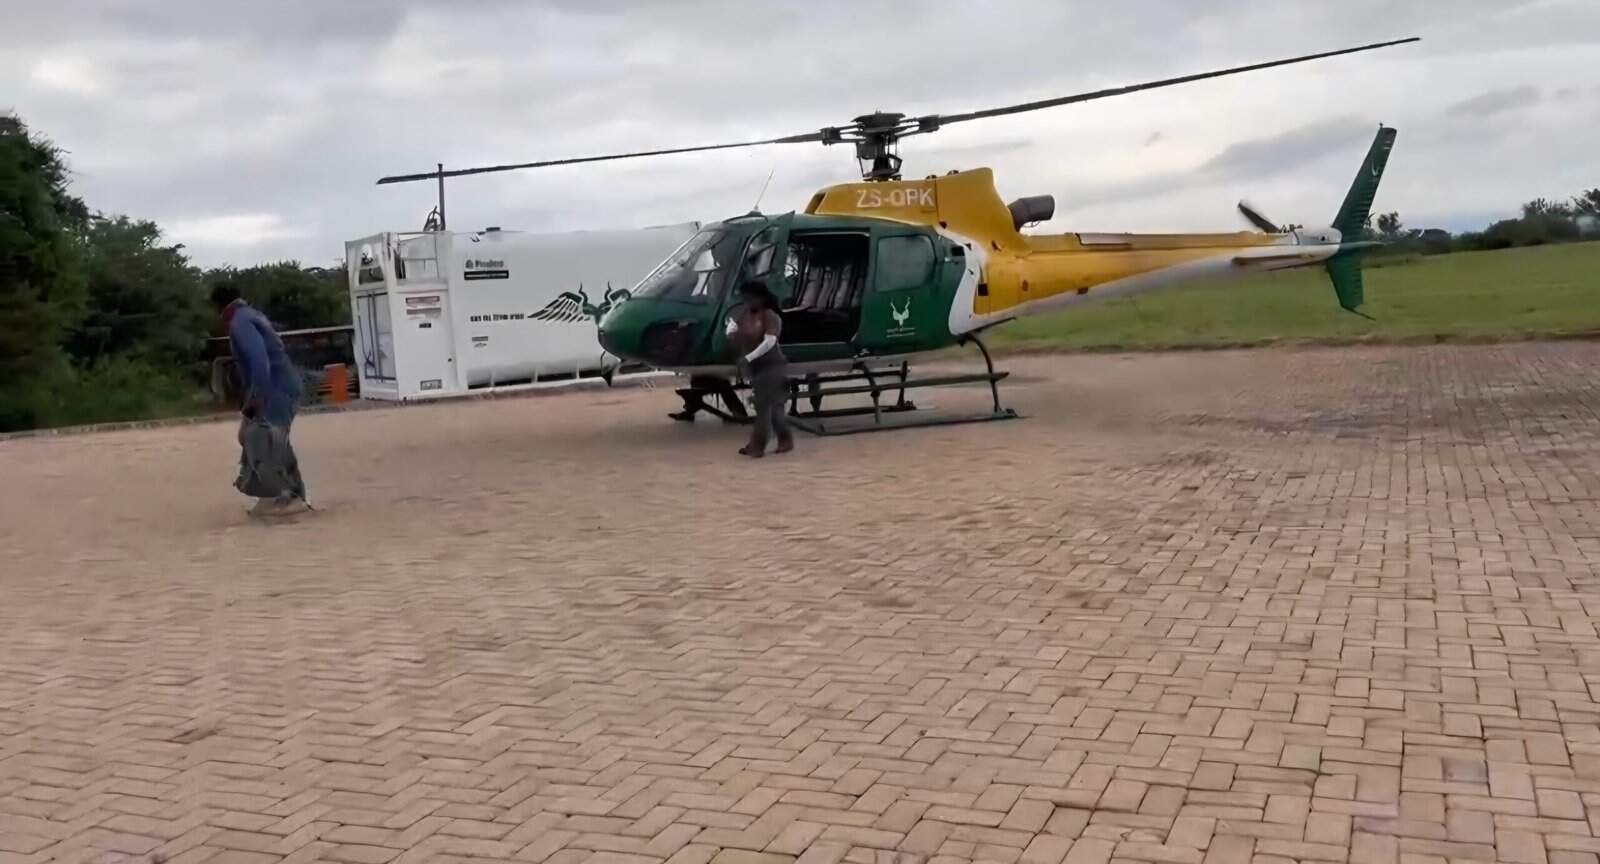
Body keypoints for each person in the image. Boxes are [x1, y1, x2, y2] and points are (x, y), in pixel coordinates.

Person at [213, 287, 309, 515]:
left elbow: (259, 361)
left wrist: (257, 397)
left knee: (266, 439)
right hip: (277, 387)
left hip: (274, 389)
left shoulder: (240, 323)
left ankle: (288, 495)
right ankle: (275, 493)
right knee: (253, 436)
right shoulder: (251, 315)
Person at [728, 281, 794, 457]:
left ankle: (757, 446)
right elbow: (738, 339)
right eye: (745, 298)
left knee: (762, 406)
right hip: (755, 368)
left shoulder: (771, 317)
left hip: (772, 366)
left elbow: (769, 342)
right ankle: (785, 440)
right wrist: (730, 333)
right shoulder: (744, 315)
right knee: (775, 408)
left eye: (750, 298)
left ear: (762, 298)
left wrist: (748, 358)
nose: (747, 302)